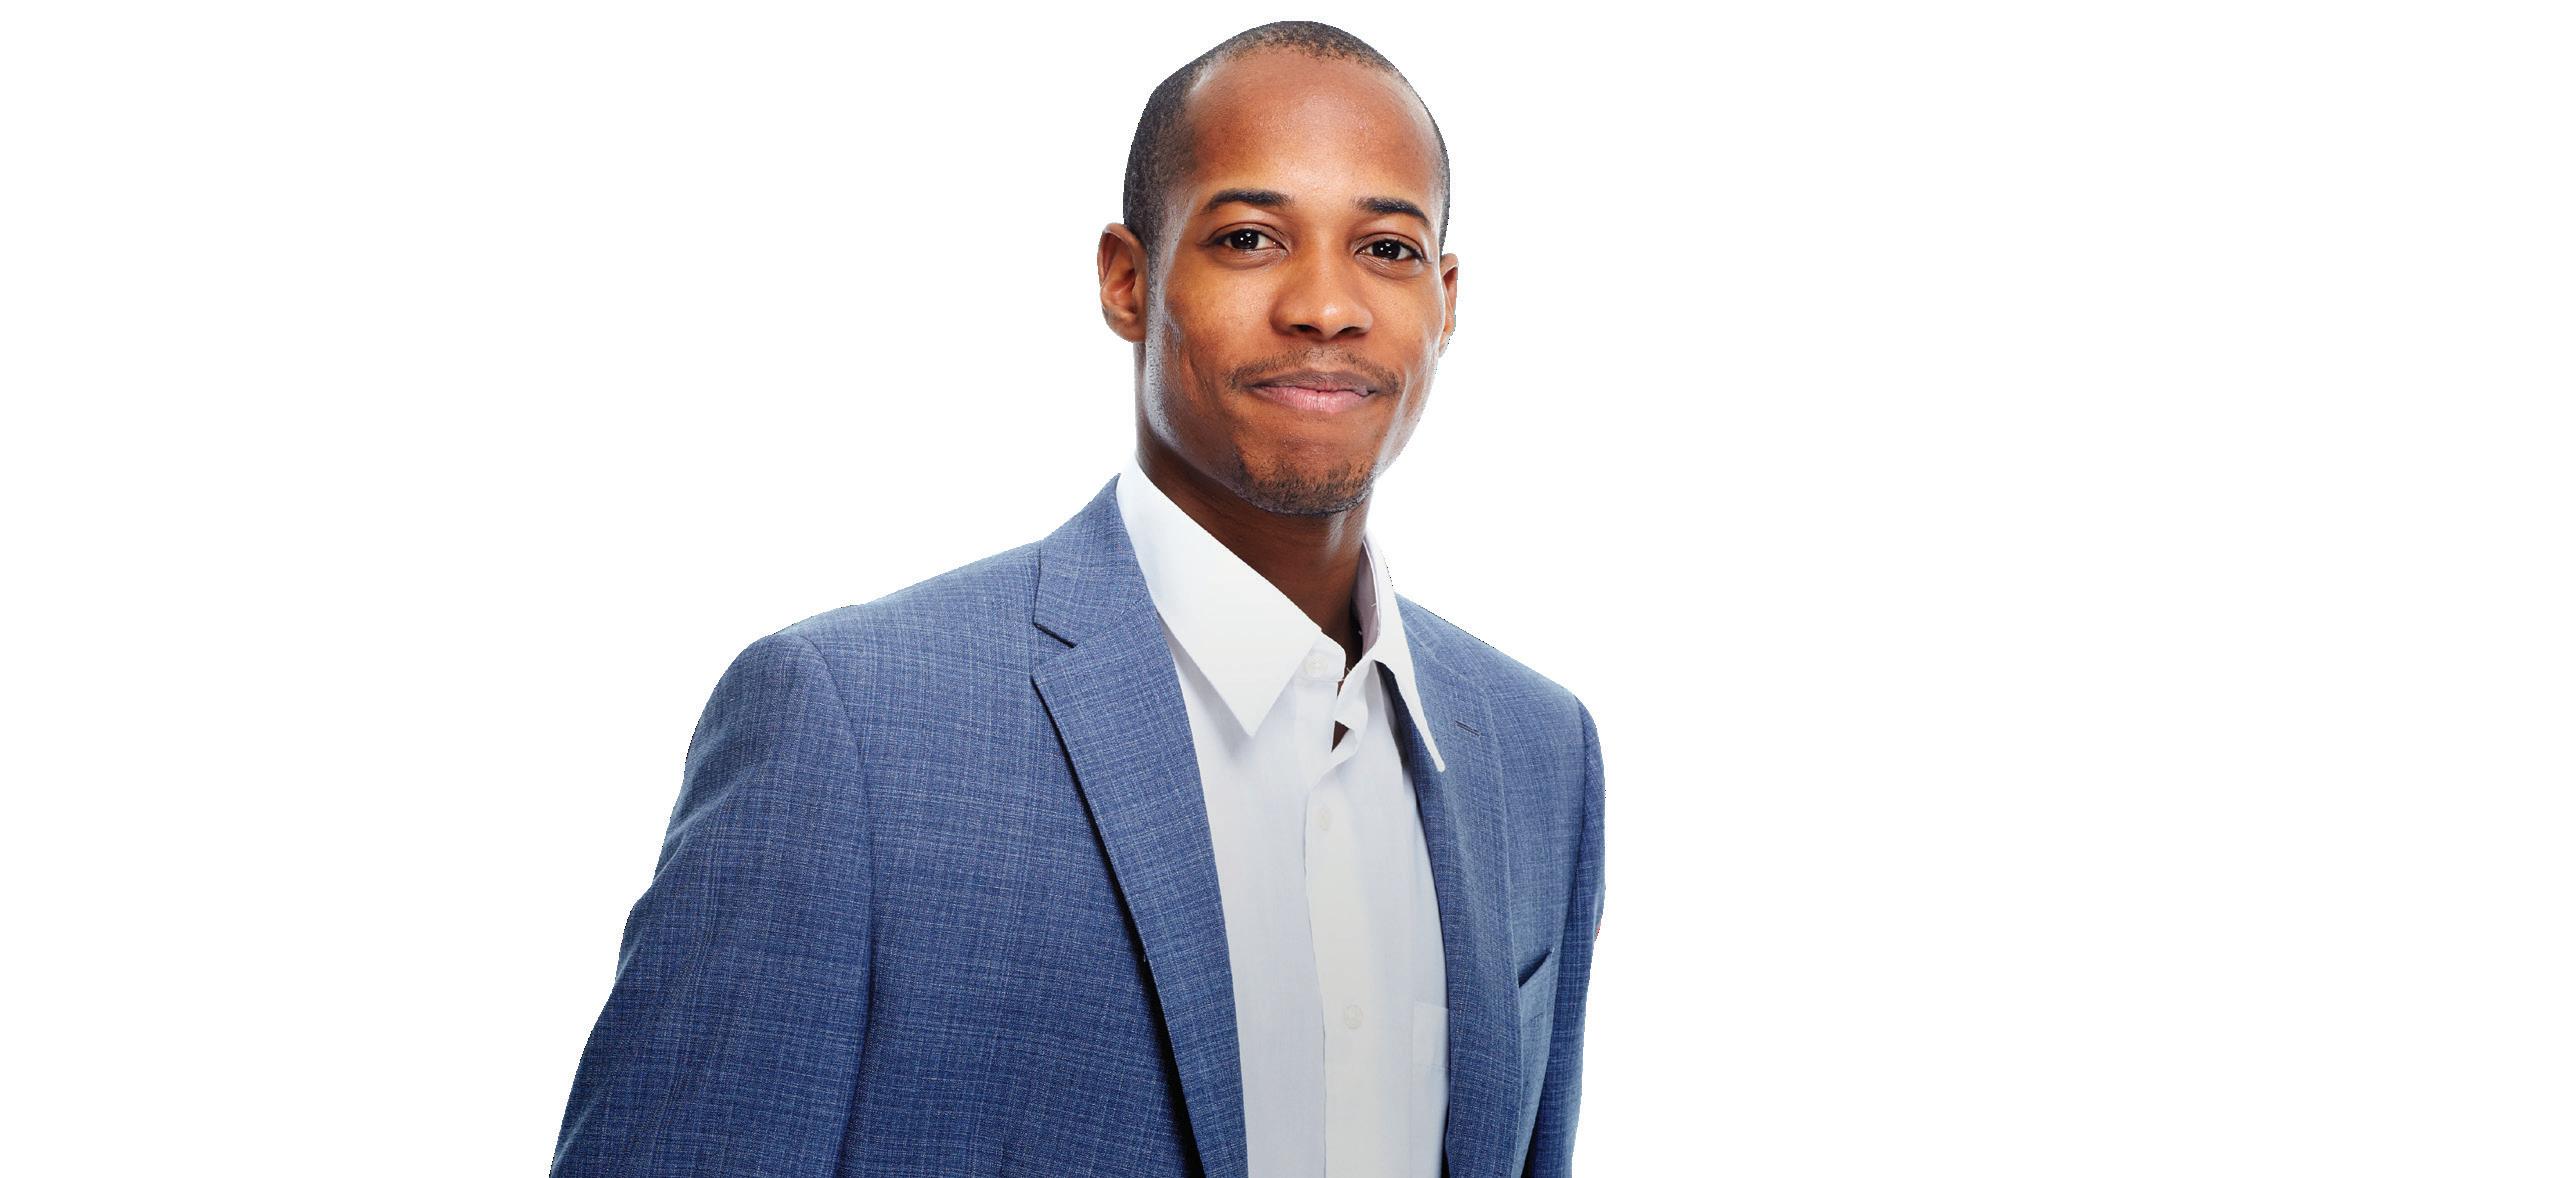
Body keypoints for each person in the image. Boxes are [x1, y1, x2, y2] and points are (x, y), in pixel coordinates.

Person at [552, 21, 1603, 1178]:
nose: (1325, 305)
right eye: (1250, 237)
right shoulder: (848, 727)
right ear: (1126, 278)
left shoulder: (1539, 753)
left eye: (1387, 248)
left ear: (1445, 298)